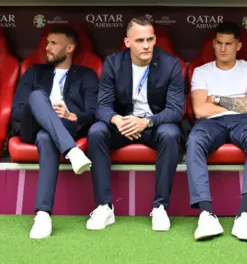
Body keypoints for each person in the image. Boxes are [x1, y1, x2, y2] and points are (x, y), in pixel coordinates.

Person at [86, 16, 183, 232]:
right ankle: (104, 206)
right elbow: (101, 106)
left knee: (170, 134)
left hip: (154, 126)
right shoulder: (113, 63)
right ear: (127, 42)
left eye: (150, 39)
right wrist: (117, 120)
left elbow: (175, 111)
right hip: (123, 125)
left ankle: (160, 207)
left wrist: (146, 122)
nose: (146, 45)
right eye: (140, 41)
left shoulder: (171, 64)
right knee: (97, 131)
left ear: (156, 39)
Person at [10, 26, 97, 239]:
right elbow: (17, 111)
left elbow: (93, 112)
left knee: (46, 137)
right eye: (47, 42)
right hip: (31, 126)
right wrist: (45, 109)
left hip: (65, 127)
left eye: (53, 43)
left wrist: (72, 116)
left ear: (69, 48)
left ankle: (43, 214)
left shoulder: (86, 75)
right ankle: (72, 151)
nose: (47, 47)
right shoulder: (34, 72)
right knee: (38, 96)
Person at [187, 22, 247, 242]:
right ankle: (206, 213)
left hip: (244, 121)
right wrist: (237, 101)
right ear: (213, 44)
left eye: (229, 44)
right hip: (210, 123)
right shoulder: (202, 71)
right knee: (194, 140)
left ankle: (244, 214)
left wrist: (218, 98)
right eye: (219, 43)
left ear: (238, 45)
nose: (223, 49)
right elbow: (200, 109)